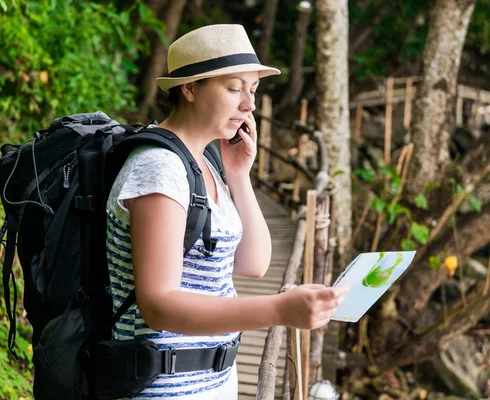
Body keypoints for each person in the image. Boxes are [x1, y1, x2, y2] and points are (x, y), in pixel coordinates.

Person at [105, 24, 348, 400]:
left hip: (215, 378)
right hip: (163, 387)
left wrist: (238, 174)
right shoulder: (160, 168)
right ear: (189, 88)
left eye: (252, 91)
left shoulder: (207, 161)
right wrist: (278, 309)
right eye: (235, 89)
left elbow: (254, 264)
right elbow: (158, 304)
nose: (248, 105)